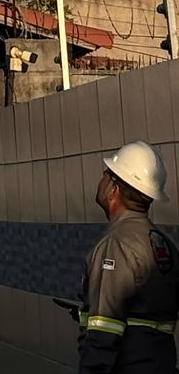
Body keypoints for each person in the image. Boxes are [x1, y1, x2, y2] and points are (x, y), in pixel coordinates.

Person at [76, 141, 179, 372]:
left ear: (114, 189)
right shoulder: (164, 245)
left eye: (106, 174)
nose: (101, 179)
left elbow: (103, 332)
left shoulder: (116, 245)